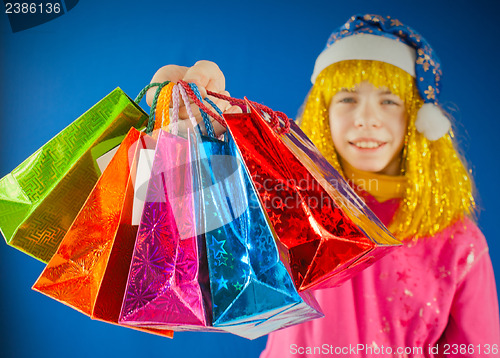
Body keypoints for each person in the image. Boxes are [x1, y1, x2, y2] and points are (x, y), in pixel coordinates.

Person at [147, 14, 500, 358]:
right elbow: (205, 265)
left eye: (389, 100)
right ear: (323, 112)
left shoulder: (459, 244)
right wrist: (197, 136)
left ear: (417, 117)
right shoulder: (284, 200)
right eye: (347, 98)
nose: (366, 118)